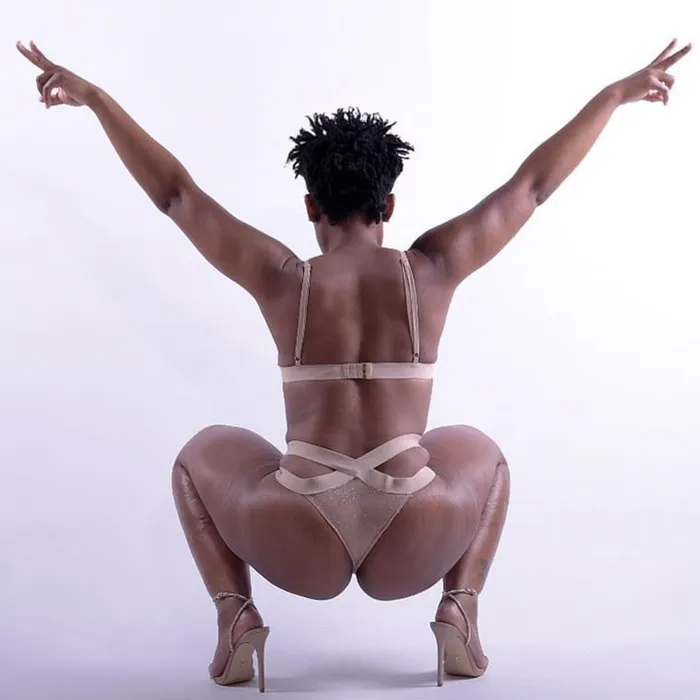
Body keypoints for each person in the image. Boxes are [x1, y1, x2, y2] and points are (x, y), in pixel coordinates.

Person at [17, 37, 691, 692]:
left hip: (299, 535)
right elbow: (533, 187)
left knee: (200, 455)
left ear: (311, 205)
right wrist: (613, 96)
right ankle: (459, 607)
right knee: (483, 455)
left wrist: (96, 99)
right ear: (389, 205)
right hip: (414, 535)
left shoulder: (283, 278)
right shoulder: (433, 268)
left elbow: (176, 196)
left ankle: (236, 618)